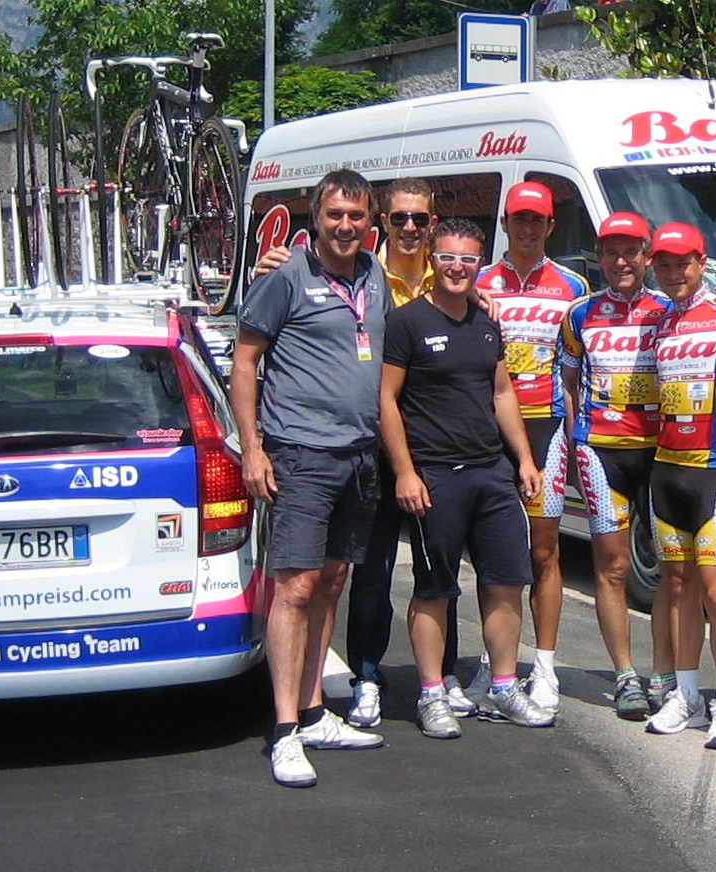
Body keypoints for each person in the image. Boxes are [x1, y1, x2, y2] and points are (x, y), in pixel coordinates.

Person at [251, 179, 470, 729]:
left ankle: (429, 681)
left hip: (403, 451)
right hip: (322, 448)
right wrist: (253, 446)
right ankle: (343, 690)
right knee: (330, 580)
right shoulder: (319, 269)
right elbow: (247, 355)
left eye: (421, 220)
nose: (412, 229)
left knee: (405, 574)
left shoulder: (413, 274)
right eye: (401, 220)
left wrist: (474, 296)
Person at [230, 168, 389, 788]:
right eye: (334, 216)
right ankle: (284, 729)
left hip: (359, 454)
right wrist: (253, 448)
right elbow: (246, 361)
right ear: (315, 219)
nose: (345, 226)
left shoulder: (374, 275)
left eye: (356, 216)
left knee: (330, 581)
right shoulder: (285, 277)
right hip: (299, 454)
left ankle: (317, 709)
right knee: (293, 589)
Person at [381, 217, 555, 738]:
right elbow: (386, 400)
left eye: (469, 259)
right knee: (435, 587)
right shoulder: (407, 322)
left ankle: (504, 685)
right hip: (435, 475)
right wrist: (405, 472)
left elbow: (502, 392)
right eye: (449, 257)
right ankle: (432, 693)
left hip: (492, 473)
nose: (458, 268)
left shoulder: (486, 321)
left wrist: (524, 459)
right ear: (432, 259)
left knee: (505, 582)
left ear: (481, 264)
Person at [473, 181, 590, 713]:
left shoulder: (572, 286)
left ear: (550, 226)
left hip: (545, 428)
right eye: (518, 219)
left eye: (536, 220)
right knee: (493, 556)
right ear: (504, 225)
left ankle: (544, 666)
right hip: (486, 431)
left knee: (544, 550)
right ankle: (491, 661)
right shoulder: (477, 282)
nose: (527, 228)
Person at [640, 222, 716, 750]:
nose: (673, 273)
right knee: (678, 584)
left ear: (703, 263)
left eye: (683, 263)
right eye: (663, 264)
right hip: (667, 470)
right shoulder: (657, 322)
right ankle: (686, 694)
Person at [559, 211, 677, 719]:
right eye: (611, 252)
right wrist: (573, 438)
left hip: (659, 452)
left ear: (647, 256)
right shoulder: (580, 314)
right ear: (599, 257)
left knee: (673, 568)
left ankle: (665, 674)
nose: (621, 261)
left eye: (631, 251)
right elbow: (566, 382)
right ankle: (625, 675)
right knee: (611, 567)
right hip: (601, 451)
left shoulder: (671, 310)